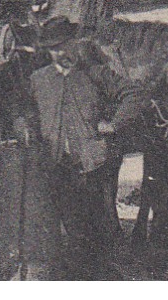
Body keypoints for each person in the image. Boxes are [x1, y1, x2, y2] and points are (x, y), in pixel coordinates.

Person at [17, 18, 144, 279]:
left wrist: (115, 123)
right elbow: (21, 108)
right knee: (73, 231)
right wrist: (23, 124)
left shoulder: (94, 74)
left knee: (96, 229)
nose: (60, 53)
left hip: (92, 166)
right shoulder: (38, 80)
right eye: (53, 49)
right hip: (56, 166)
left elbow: (134, 93)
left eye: (64, 46)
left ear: (74, 44)